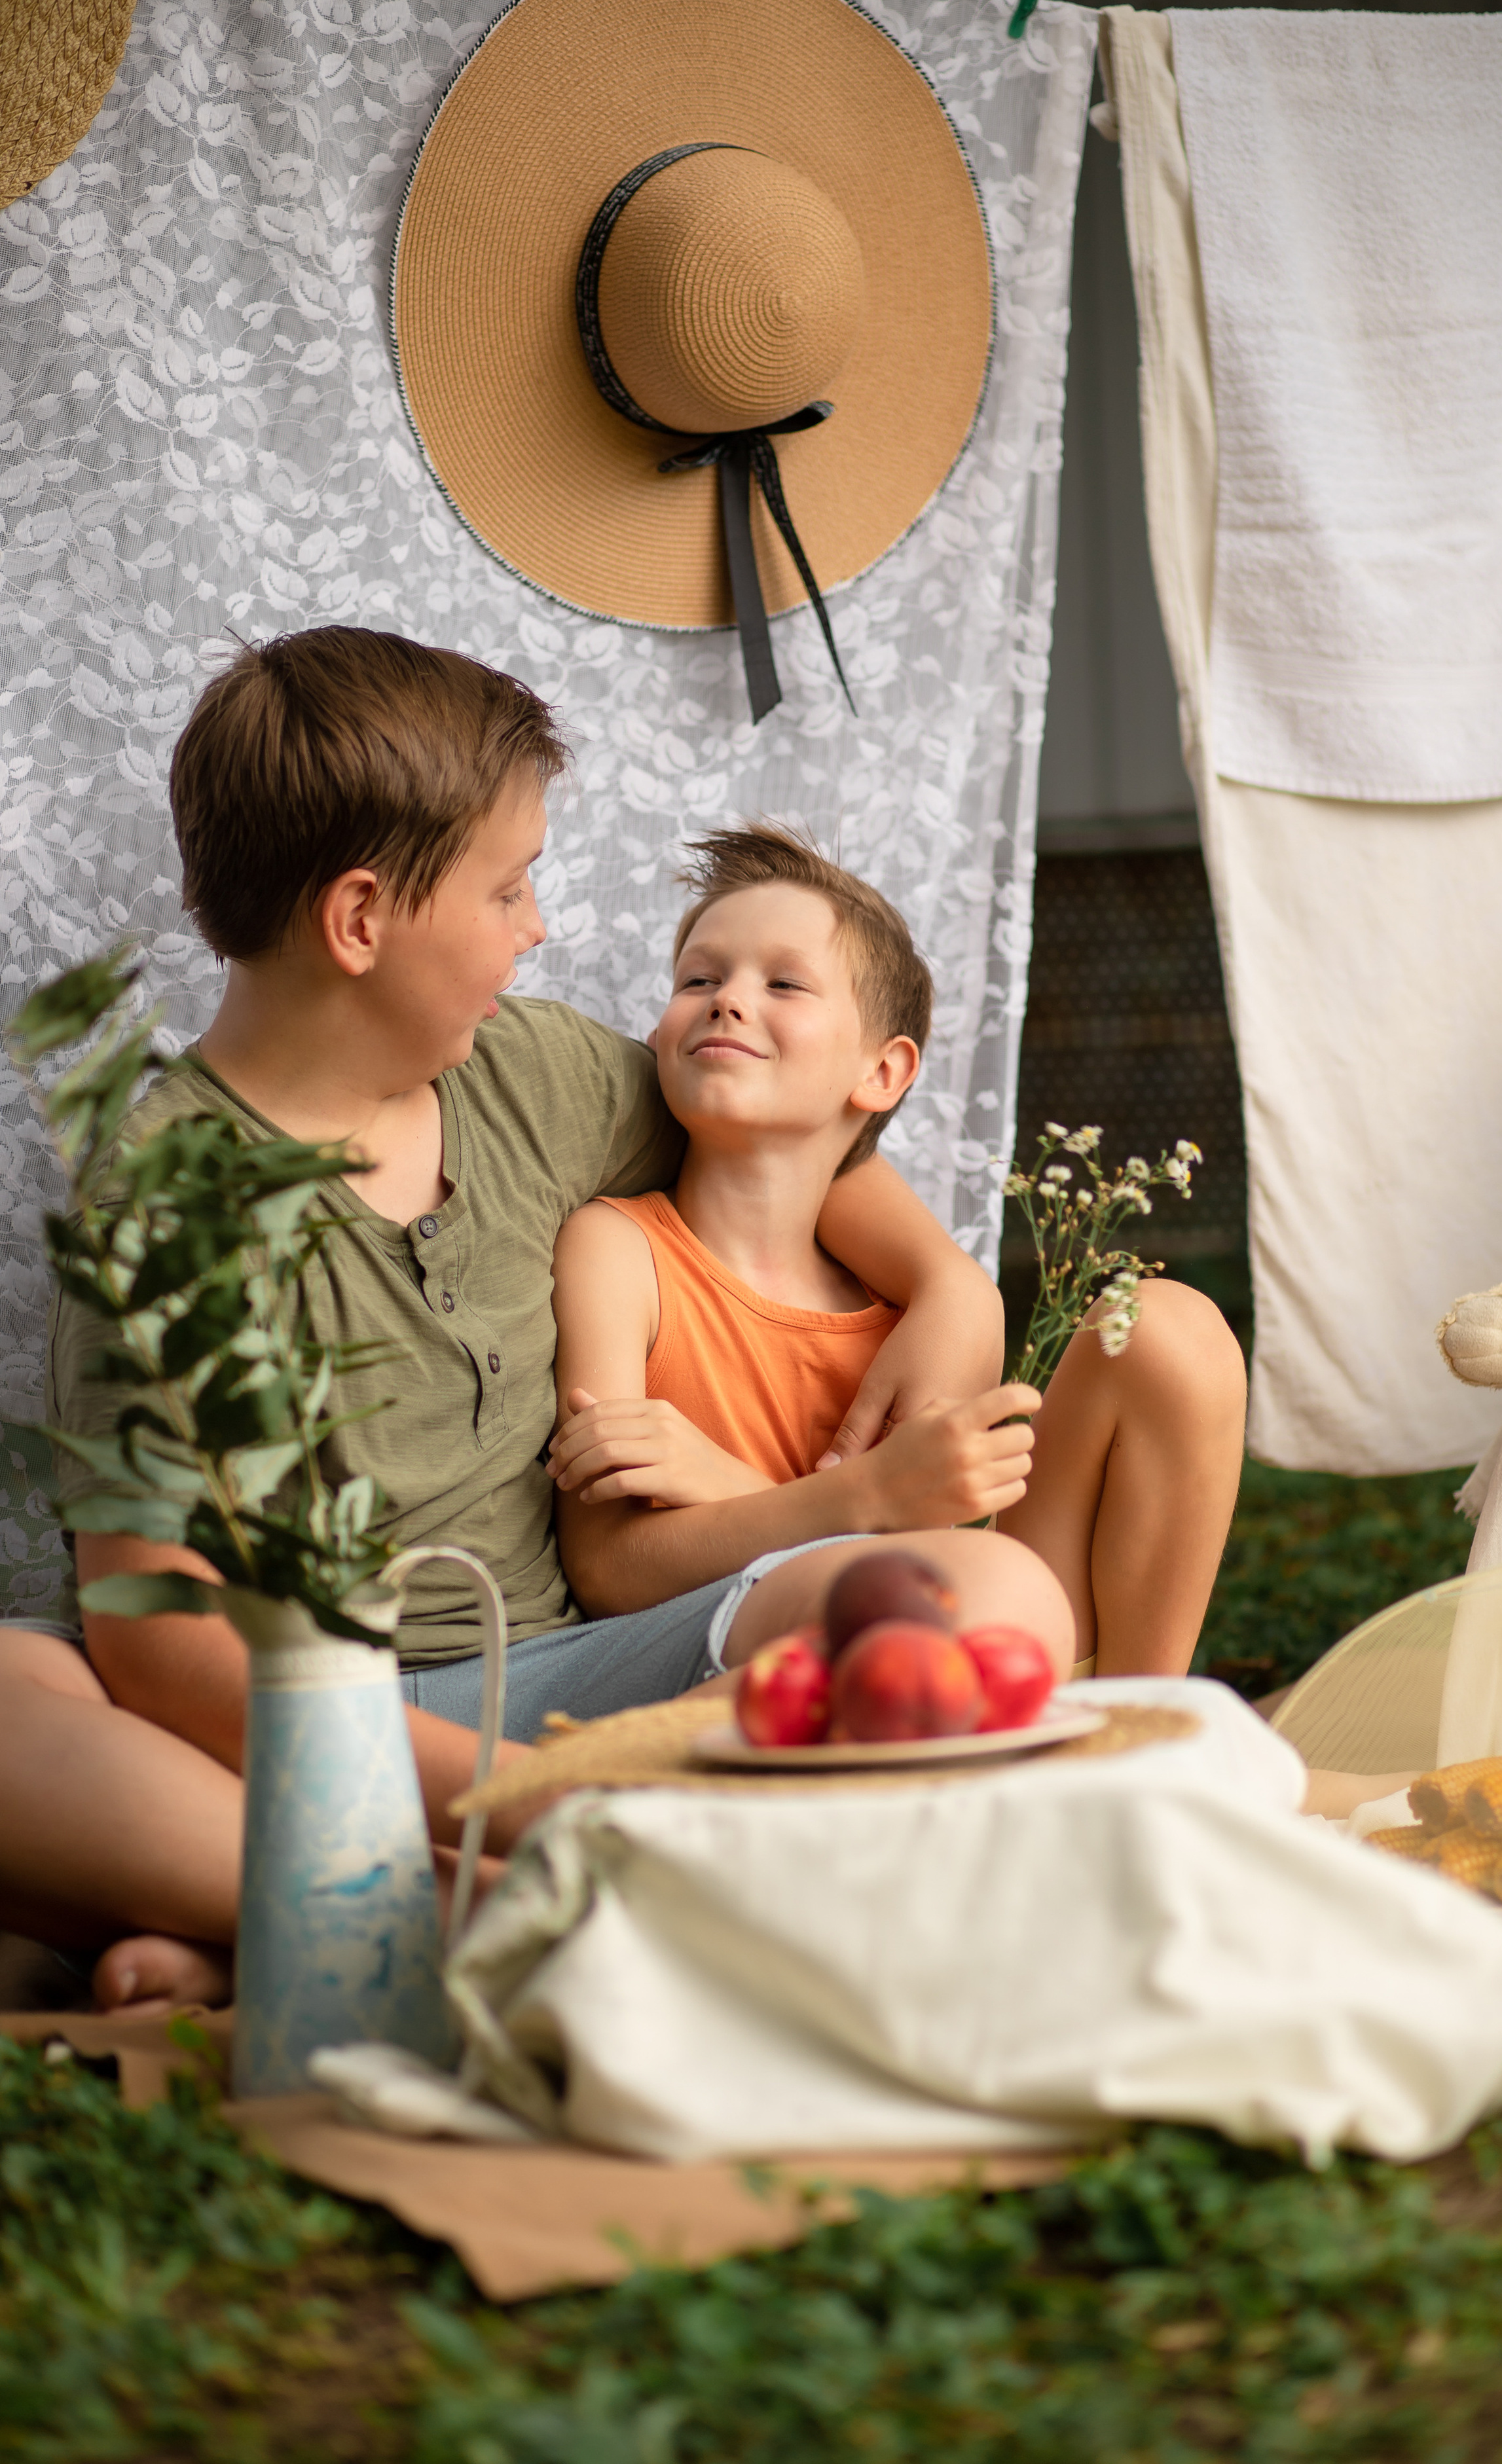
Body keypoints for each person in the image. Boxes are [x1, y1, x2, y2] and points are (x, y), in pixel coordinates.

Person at [0, 630, 1030, 2013]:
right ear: (361, 922)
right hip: (293, 1726)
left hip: (570, 1677)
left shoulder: (530, 1075)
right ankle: (472, 1903)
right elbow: (160, 1637)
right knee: (14, 1689)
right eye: (508, 885)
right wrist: (513, 1799)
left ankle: (254, 1926)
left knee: (984, 1599)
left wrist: (951, 1281)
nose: (538, 924)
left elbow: (778, 1130)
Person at [545, 825, 1247, 1671]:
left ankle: (1145, 1712)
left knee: (1169, 1326)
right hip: (784, 1671)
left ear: (883, 1072)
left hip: (973, 1636)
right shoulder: (616, 1250)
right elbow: (607, 1570)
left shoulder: (913, 1317)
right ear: (658, 1037)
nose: (728, 999)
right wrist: (850, 1497)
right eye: (699, 978)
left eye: (784, 983)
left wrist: (735, 1487)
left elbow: (923, 1553)